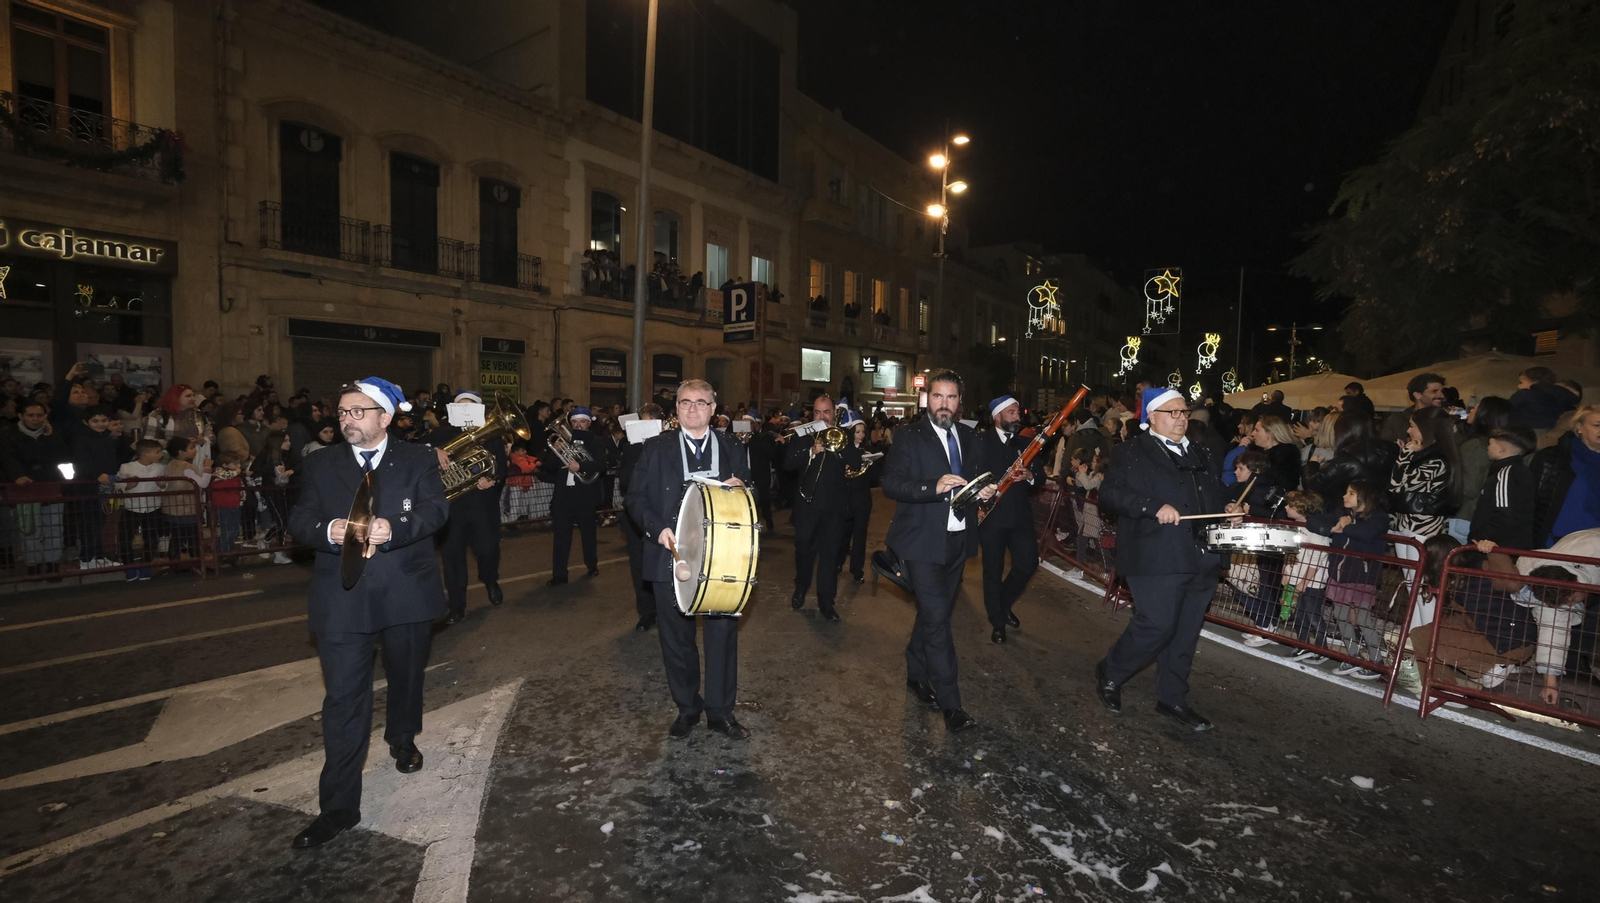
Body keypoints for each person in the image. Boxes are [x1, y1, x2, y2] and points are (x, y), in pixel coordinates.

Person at [285, 377, 449, 849]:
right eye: (341, 412)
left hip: (405, 592)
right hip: (341, 596)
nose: (346, 419)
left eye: (357, 411)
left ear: (385, 417)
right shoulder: (319, 463)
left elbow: (436, 511)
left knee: (406, 674)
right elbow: (299, 518)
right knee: (342, 700)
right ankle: (337, 807)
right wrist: (328, 529)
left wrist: (394, 528)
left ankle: (402, 737)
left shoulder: (418, 458)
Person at [1094, 388, 1231, 731]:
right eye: (1173, 412)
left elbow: (1211, 495)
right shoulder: (1130, 451)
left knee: (1185, 632)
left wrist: (1229, 510)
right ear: (1152, 417)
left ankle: (1172, 698)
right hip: (1155, 554)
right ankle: (1111, 671)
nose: (1181, 418)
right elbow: (1110, 494)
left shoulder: (1201, 451)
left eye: (1184, 412)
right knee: (1156, 624)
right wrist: (1151, 507)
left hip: (1202, 555)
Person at [625, 379, 752, 740]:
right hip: (670, 552)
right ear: (676, 408)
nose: (692, 408)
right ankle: (687, 707)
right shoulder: (655, 447)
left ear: (714, 409)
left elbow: (753, 493)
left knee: (722, 635)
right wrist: (657, 529)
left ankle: (721, 711)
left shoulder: (733, 447)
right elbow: (635, 497)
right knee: (676, 637)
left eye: (700, 402)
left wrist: (744, 488)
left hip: (723, 556)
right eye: (684, 402)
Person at [883, 369, 988, 733]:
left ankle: (915, 670)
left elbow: (976, 480)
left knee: (932, 613)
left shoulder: (971, 437)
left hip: (958, 541)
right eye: (938, 397)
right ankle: (952, 705)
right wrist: (933, 486)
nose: (944, 404)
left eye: (951, 398)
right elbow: (891, 483)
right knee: (939, 620)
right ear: (927, 398)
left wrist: (984, 492)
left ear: (960, 402)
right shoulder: (908, 435)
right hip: (920, 542)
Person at [429, 391, 507, 624]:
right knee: (452, 557)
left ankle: (490, 579)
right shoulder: (440, 434)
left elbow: (501, 468)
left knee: (487, 550)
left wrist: (492, 480)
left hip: (482, 505)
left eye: (469, 406)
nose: (464, 410)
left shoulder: (491, 437)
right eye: (460, 406)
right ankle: (456, 605)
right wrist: (431, 452)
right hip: (451, 508)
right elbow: (415, 458)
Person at [785, 394, 862, 620]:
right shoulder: (803, 434)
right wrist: (810, 451)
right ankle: (801, 587)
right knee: (804, 551)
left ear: (833, 413)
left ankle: (826, 602)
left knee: (829, 556)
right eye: (817, 412)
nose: (822, 417)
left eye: (826, 412)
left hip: (834, 507)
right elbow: (788, 463)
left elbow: (856, 462)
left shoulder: (844, 434)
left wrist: (840, 448)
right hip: (807, 505)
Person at [975, 394, 1044, 644]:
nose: (1018, 416)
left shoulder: (1026, 443)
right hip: (991, 517)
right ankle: (997, 622)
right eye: (1012, 413)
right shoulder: (980, 441)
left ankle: (1002, 604)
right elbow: (971, 475)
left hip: (1019, 516)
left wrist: (1030, 476)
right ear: (998, 416)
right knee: (992, 571)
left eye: (1018, 412)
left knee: (1028, 564)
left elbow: (1041, 477)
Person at [1, 401, 70, 578]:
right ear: (21, 416)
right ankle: (33, 564)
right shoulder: (8, 435)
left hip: (50, 487)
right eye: (30, 415)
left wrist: (50, 437)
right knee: (29, 529)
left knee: (54, 528)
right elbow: (7, 459)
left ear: (45, 417)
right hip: (24, 489)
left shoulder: (53, 434)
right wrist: (17, 476)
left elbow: (61, 457)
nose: (35, 419)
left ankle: (53, 564)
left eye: (39, 415)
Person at [541, 406, 605, 586]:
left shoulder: (596, 441)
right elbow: (550, 467)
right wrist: (555, 449)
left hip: (585, 495)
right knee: (561, 536)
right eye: (574, 422)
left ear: (589, 423)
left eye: (582, 422)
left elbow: (601, 464)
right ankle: (559, 575)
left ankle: (592, 564)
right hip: (563, 495)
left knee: (588, 534)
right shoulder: (562, 441)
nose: (578, 425)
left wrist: (581, 467)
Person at [618, 402, 664, 631]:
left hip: (663, 515)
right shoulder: (630, 448)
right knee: (638, 566)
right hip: (636, 517)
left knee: (664, 563)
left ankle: (665, 609)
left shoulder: (668, 445)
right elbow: (625, 482)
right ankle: (646, 612)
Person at [1530, 404, 1600, 547]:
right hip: (1555, 543)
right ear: (1579, 427)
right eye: (1597, 425)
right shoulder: (1551, 458)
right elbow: (1527, 501)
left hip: (1595, 546)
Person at [1389, 405, 1462, 539]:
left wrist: (1405, 455)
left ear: (1426, 428)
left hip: (1423, 526)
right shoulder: (1426, 455)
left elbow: (1396, 485)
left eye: (1412, 426)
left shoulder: (1436, 461)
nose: (1408, 430)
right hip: (1409, 523)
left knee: (1418, 560)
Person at [1468, 426, 1537, 553]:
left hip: (1496, 546)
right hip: (1510, 544)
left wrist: (1480, 537)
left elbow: (1504, 515)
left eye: (1490, 443)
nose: (1487, 447)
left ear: (1501, 449)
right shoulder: (1520, 471)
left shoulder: (1505, 473)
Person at [116, 438, 165, 581]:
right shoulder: (127, 467)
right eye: (157, 452)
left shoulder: (160, 468)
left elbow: (164, 486)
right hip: (132, 507)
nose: (160, 454)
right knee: (126, 537)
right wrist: (127, 487)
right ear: (145, 454)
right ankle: (129, 566)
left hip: (152, 507)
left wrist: (162, 485)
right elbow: (118, 484)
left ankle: (146, 565)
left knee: (151, 538)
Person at [839, 413, 874, 584]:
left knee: (860, 536)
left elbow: (873, 481)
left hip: (863, 500)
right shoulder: (844, 450)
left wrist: (871, 463)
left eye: (862, 432)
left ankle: (857, 570)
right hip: (846, 499)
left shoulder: (866, 451)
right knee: (843, 535)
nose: (861, 435)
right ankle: (838, 563)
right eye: (857, 432)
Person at [1381, 372, 1446, 443]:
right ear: (1417, 395)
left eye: (1442, 391)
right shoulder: (1397, 421)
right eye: (1434, 391)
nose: (1441, 395)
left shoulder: (1445, 419)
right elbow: (1386, 449)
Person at [1509, 366, 1576, 432]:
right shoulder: (1560, 398)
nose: (1518, 386)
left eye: (1520, 382)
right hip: (1549, 432)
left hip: (1523, 429)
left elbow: (1506, 409)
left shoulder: (1524, 394)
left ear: (1534, 383)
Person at [1250, 415, 1302, 493]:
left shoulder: (1287, 453)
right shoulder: (1256, 452)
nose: (1252, 433)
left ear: (1270, 433)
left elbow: (1286, 482)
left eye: (1257, 430)